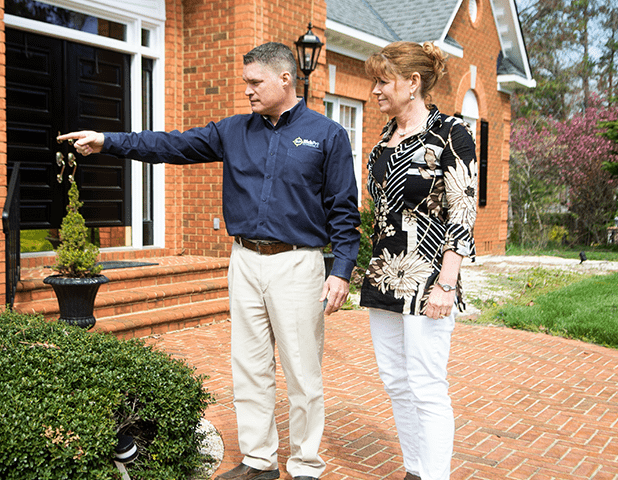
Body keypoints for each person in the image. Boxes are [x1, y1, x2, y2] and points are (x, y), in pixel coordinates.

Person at [57, 42, 361, 480]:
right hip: (244, 260)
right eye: (246, 84)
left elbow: (343, 210)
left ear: (285, 79)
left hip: (298, 265)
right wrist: (108, 142)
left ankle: (306, 467)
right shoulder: (233, 131)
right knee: (250, 366)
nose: (249, 92)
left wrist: (341, 270)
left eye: (256, 83)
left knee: (302, 373)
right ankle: (259, 462)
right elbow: (171, 145)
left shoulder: (327, 134)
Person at [358, 41, 477, 480]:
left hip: (429, 276)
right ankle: (414, 469)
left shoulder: (450, 133)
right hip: (385, 275)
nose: (374, 91)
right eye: (373, 81)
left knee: (427, 385)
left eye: (382, 81)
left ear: (412, 83)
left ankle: (435, 475)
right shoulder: (380, 145)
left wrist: (448, 283)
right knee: (395, 381)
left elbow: (462, 212)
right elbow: (381, 215)